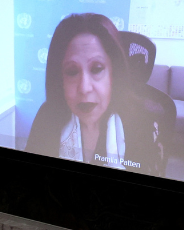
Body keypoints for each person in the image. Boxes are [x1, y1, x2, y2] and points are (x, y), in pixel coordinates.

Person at [25, 13, 160, 174]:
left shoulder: (140, 123)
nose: (84, 88)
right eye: (72, 71)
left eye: (96, 69)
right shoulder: (48, 117)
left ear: (114, 74)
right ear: (60, 79)